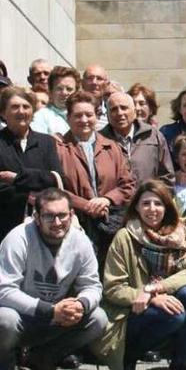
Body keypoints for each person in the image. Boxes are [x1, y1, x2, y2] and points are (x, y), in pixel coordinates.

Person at [0, 188, 107, 370]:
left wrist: (80, 304)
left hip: (50, 315)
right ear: (36, 217)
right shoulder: (18, 238)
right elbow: (4, 292)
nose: (57, 222)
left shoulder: (81, 241)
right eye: (49, 216)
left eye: (62, 215)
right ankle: (5, 363)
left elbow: (93, 286)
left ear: (71, 214)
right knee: (4, 320)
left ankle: (40, 359)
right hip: (9, 314)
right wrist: (50, 310)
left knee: (98, 318)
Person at [93, 179, 186, 370]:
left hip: (155, 300)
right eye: (146, 203)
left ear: (167, 207)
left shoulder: (175, 236)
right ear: (136, 208)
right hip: (128, 313)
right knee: (174, 316)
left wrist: (155, 289)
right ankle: (130, 356)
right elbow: (113, 289)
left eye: (158, 203)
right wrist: (150, 298)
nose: (152, 209)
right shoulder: (125, 237)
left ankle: (180, 361)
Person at [0, 86, 64, 279]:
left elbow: (55, 179)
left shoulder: (46, 142)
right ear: (2, 112)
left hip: (43, 228)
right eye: (14, 107)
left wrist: (17, 178)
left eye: (26, 106)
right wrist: (28, 196)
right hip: (2, 226)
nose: (21, 111)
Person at [55, 91, 136, 257]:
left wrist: (106, 199)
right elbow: (55, 188)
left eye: (89, 114)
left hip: (110, 224)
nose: (84, 120)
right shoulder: (58, 148)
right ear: (68, 118)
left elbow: (127, 184)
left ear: (97, 116)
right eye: (78, 115)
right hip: (75, 224)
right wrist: (85, 205)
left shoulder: (112, 147)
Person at [101, 91, 174, 184]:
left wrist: (155, 197)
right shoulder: (100, 140)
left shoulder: (153, 136)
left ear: (134, 112)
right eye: (114, 109)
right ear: (107, 115)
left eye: (124, 108)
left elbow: (167, 177)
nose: (119, 113)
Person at [30, 65, 80, 138]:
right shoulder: (40, 117)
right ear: (50, 92)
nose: (64, 93)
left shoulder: (83, 116)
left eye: (69, 89)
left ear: (76, 92)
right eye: (59, 89)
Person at [81, 64, 110, 131]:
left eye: (99, 79)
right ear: (82, 83)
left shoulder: (113, 112)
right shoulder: (71, 110)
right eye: (90, 78)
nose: (94, 82)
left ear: (107, 84)